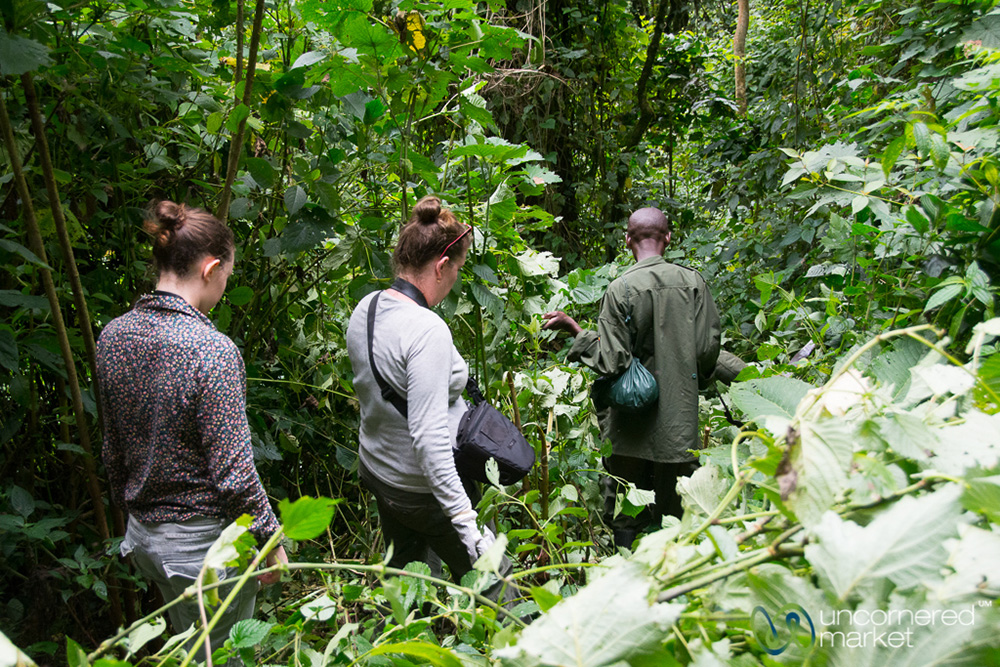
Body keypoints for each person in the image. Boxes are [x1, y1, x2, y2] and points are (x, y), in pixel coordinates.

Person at [96, 201, 287, 662]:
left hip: (146, 538)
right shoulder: (212, 351)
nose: (225, 286)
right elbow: (234, 474)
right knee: (221, 658)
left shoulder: (113, 336)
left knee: (190, 649)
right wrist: (271, 540)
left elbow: (113, 450)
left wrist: (135, 512)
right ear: (211, 268)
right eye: (227, 276)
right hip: (202, 549)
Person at [346, 195, 511, 594]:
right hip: (424, 490)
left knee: (406, 588)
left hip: (380, 473)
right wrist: (467, 524)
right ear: (441, 266)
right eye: (456, 269)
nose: (456, 278)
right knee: (500, 594)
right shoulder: (426, 330)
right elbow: (429, 439)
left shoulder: (366, 308)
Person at [542, 206, 721, 548]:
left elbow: (611, 360)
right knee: (677, 514)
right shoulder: (694, 283)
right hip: (679, 427)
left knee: (627, 510)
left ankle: (626, 573)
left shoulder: (621, 289)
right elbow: (706, 350)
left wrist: (576, 331)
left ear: (627, 241)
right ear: (668, 238)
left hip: (630, 429)